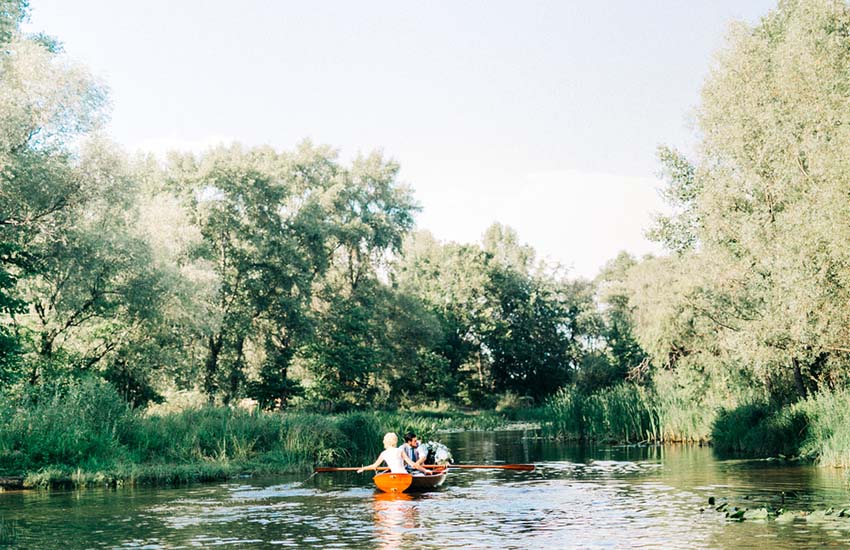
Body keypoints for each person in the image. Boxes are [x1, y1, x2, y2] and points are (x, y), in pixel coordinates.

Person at [357, 432, 429, 475]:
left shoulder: (383, 453)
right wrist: (425, 470)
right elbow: (413, 464)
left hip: (394, 474)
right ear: (395, 441)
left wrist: (363, 468)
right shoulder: (400, 451)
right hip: (404, 475)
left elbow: (374, 466)